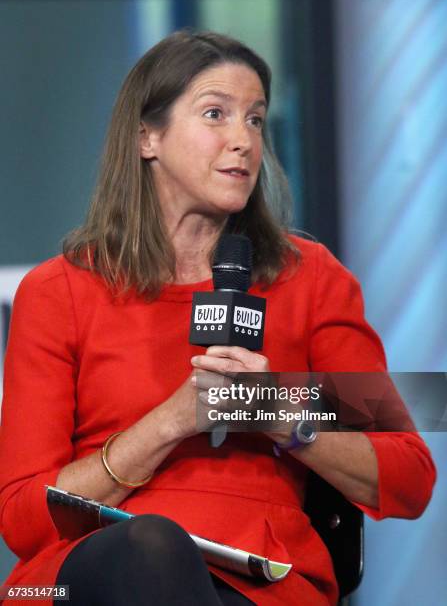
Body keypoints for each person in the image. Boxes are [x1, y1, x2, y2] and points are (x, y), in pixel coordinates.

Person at [0, 30, 436, 606]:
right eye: (216, 114)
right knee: (151, 547)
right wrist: (171, 422)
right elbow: (24, 517)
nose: (243, 141)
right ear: (146, 137)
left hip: (261, 582)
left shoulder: (306, 281)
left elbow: (408, 476)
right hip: (80, 576)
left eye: (255, 120)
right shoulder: (61, 291)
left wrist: (278, 414)